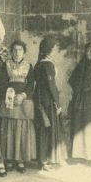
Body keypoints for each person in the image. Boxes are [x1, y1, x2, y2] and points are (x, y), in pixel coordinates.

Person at [0, 40, 36, 172]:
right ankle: (8, 159)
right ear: (11, 51)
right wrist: (10, 95)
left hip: (23, 101)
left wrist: (23, 95)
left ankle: (20, 159)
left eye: (20, 50)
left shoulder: (29, 66)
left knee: (21, 130)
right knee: (9, 129)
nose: (17, 53)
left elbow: (31, 84)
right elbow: (2, 83)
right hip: (9, 99)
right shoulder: (6, 64)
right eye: (14, 50)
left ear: (24, 52)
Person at [34, 36, 67, 171]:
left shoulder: (39, 63)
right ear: (49, 50)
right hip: (47, 100)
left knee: (44, 129)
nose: (55, 51)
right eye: (54, 49)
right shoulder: (48, 65)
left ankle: (44, 160)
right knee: (46, 129)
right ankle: (43, 161)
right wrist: (57, 104)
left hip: (40, 98)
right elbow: (51, 86)